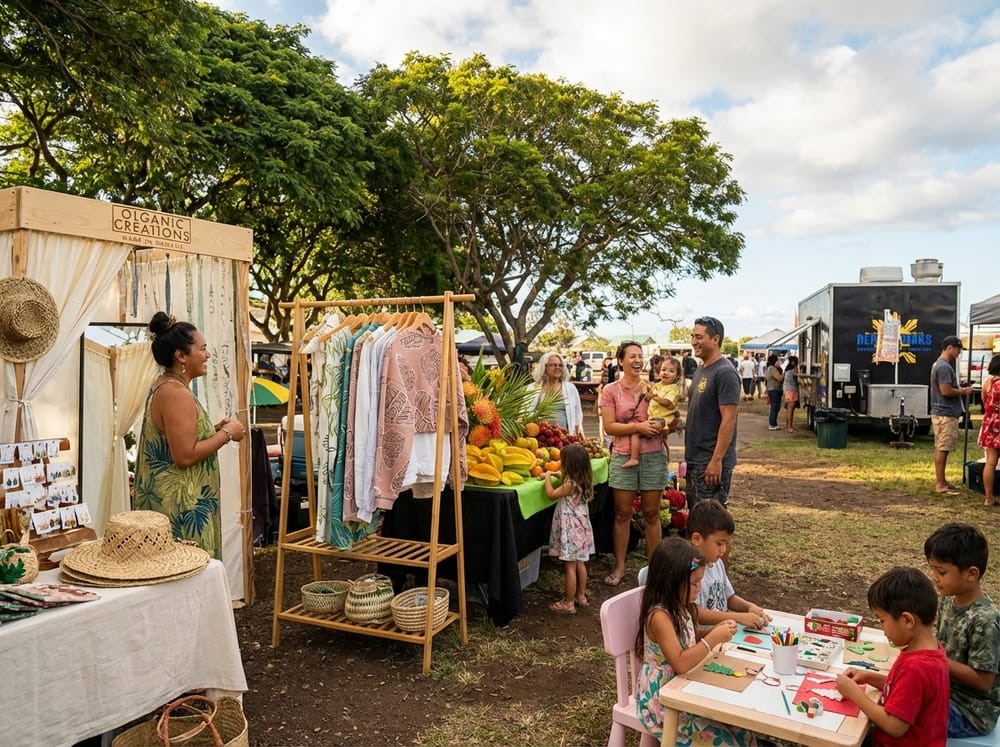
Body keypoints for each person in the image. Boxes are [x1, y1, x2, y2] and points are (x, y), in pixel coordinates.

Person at [133, 311, 246, 559]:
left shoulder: (166, 385)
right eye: (203, 349)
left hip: (178, 504)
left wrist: (213, 430)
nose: (207, 355)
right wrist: (228, 433)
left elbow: (177, 440)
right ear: (181, 356)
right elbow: (184, 456)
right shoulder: (176, 394)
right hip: (181, 510)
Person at [634, 537, 755, 746]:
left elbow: (688, 639)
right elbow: (679, 662)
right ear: (672, 581)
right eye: (694, 583)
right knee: (724, 740)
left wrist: (712, 632)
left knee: (742, 730)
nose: (699, 588)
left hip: (684, 688)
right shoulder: (660, 615)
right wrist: (711, 640)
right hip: (662, 702)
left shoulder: (681, 606)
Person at [835, 566, 949, 746]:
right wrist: (871, 678)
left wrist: (854, 693)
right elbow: (908, 692)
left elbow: (895, 726)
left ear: (907, 620)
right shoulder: (930, 649)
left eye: (882, 620)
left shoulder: (916, 667)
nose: (882, 629)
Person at [600, 341, 667, 586]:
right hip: (622, 456)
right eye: (632, 356)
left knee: (651, 513)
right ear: (621, 361)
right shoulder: (610, 391)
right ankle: (620, 567)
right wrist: (638, 427)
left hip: (653, 455)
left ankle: (655, 570)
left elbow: (666, 415)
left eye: (641, 356)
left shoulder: (653, 388)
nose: (638, 360)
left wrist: (661, 424)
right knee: (622, 514)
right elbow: (609, 426)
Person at [924, 523, 1000, 738]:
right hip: (944, 692)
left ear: (971, 574)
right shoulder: (948, 601)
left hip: (971, 712)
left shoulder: (985, 619)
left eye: (941, 571)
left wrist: (935, 658)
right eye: (932, 569)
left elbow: (984, 681)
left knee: (902, 715)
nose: (934, 577)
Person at [688, 499, 771, 630]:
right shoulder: (689, 569)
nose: (724, 550)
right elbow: (694, 612)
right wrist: (737, 617)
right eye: (719, 543)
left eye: (726, 544)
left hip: (722, 635)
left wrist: (748, 607)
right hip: (703, 640)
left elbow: (729, 597)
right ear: (697, 539)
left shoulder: (717, 564)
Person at [684, 316, 740, 509]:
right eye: (692, 336)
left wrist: (716, 460)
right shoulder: (701, 371)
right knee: (696, 518)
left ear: (715, 340)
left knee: (710, 524)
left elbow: (729, 419)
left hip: (711, 463)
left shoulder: (725, 373)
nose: (693, 342)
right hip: (694, 459)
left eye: (699, 337)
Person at [542, 443, 595, 614]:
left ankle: (569, 603)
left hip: (571, 531)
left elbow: (551, 494)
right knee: (580, 563)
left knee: (569, 567)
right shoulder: (583, 481)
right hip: (581, 530)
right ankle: (581, 596)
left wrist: (548, 477)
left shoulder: (569, 485)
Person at [931, 335, 974, 494]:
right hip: (945, 413)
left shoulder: (939, 364)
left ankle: (942, 480)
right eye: (958, 350)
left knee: (943, 447)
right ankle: (940, 484)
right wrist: (963, 391)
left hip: (943, 412)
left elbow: (947, 387)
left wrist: (958, 386)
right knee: (943, 447)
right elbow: (945, 390)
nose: (958, 353)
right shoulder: (944, 367)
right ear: (949, 348)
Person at [624, 356, 682, 468]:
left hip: (663, 419)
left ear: (677, 375)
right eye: (663, 370)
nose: (666, 373)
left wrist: (654, 396)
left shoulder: (673, 388)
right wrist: (647, 389)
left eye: (671, 371)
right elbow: (647, 397)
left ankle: (634, 458)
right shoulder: (658, 385)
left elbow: (667, 403)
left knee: (636, 431)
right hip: (653, 417)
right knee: (647, 434)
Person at [529, 351, 584, 436]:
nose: (558, 367)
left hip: (564, 438)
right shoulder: (532, 388)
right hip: (540, 437)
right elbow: (527, 413)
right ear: (544, 367)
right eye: (553, 365)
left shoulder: (571, 388)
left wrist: (579, 432)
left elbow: (578, 414)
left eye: (560, 365)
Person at [976, 354, 1000, 505]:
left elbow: (984, 402)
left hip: (990, 425)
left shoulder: (988, 383)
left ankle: (988, 497)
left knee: (990, 462)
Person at [764, 353, 784, 431]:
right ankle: (772, 424)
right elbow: (779, 378)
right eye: (778, 360)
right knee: (774, 407)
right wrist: (785, 373)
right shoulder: (772, 368)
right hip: (773, 390)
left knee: (777, 407)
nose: (779, 362)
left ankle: (774, 423)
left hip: (777, 390)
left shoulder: (775, 368)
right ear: (774, 361)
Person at [782, 354, 800, 433]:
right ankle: (789, 427)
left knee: (791, 409)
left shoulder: (787, 370)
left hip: (789, 390)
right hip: (791, 390)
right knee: (790, 409)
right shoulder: (793, 369)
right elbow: (797, 375)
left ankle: (790, 426)